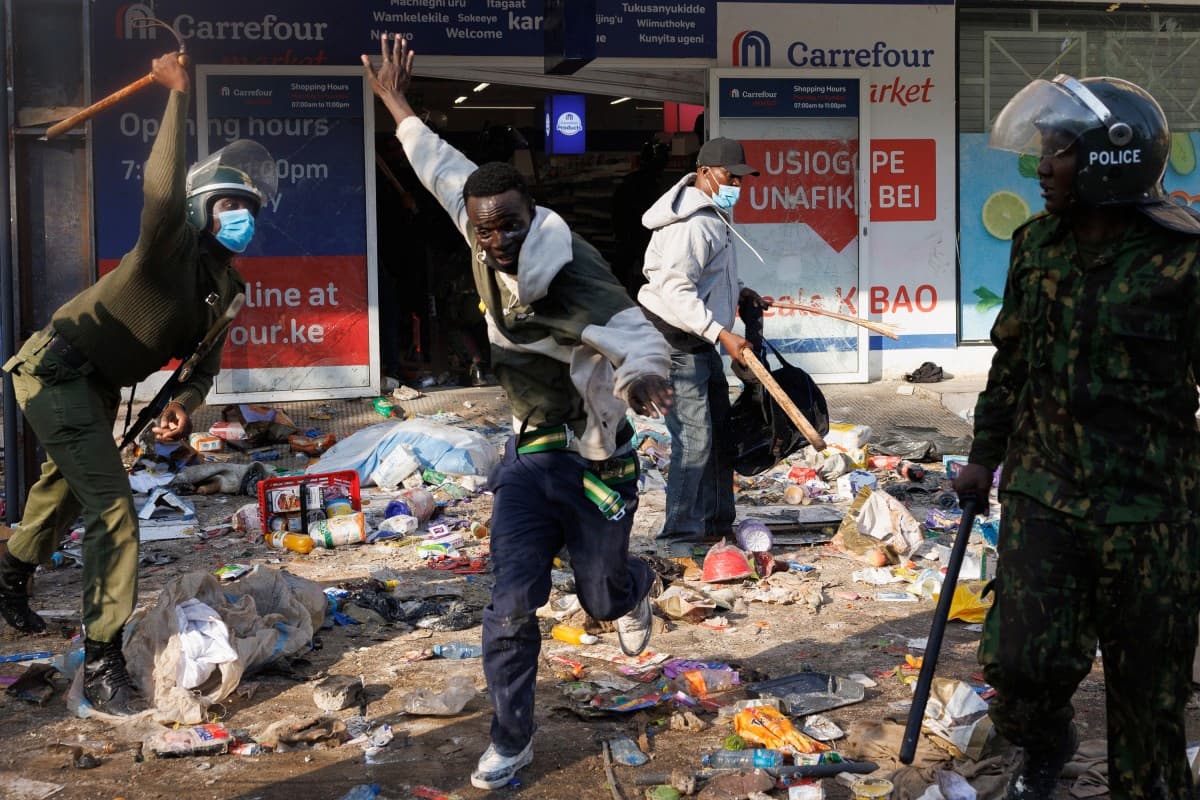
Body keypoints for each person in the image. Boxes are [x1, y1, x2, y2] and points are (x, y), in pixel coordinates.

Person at [362, 35, 674, 790]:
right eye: (484, 228)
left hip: (600, 455)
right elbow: (437, 164)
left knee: (600, 602)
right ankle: (511, 738)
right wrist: (394, 101)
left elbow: (639, 337)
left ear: (531, 217)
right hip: (532, 453)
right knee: (508, 607)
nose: (495, 240)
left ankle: (636, 583)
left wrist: (641, 380)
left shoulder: (573, 270)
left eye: (507, 226)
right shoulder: (477, 219)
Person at [0, 51, 276, 716]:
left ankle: (9, 575)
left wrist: (181, 406)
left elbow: (200, 371)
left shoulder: (227, 290)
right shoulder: (167, 244)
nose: (243, 217)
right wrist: (176, 96)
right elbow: (159, 187)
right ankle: (101, 661)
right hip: (53, 369)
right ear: (204, 208)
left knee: (62, 497)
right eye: (231, 204)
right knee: (115, 510)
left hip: (94, 388)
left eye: (251, 209)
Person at [956, 74, 1200, 799]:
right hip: (1045, 489)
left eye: (1056, 152)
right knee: (1020, 663)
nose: (1041, 167)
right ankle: (1045, 738)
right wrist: (981, 457)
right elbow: (1013, 360)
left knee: (1148, 697)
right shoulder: (1035, 246)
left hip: (1151, 510)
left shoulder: (1185, 259)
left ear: (1107, 160)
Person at [637, 137, 767, 556]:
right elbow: (676, 290)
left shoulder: (716, 215)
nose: (737, 186)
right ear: (706, 172)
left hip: (699, 338)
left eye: (741, 179)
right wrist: (722, 333)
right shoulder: (692, 224)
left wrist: (741, 294)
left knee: (717, 433)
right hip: (676, 340)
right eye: (732, 177)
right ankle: (679, 535)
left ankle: (714, 523)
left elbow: (708, 281)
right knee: (694, 438)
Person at [610, 140, 669, 297]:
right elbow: (619, 208)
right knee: (628, 270)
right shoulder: (642, 183)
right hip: (635, 234)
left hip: (640, 235)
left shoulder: (654, 182)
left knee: (640, 271)